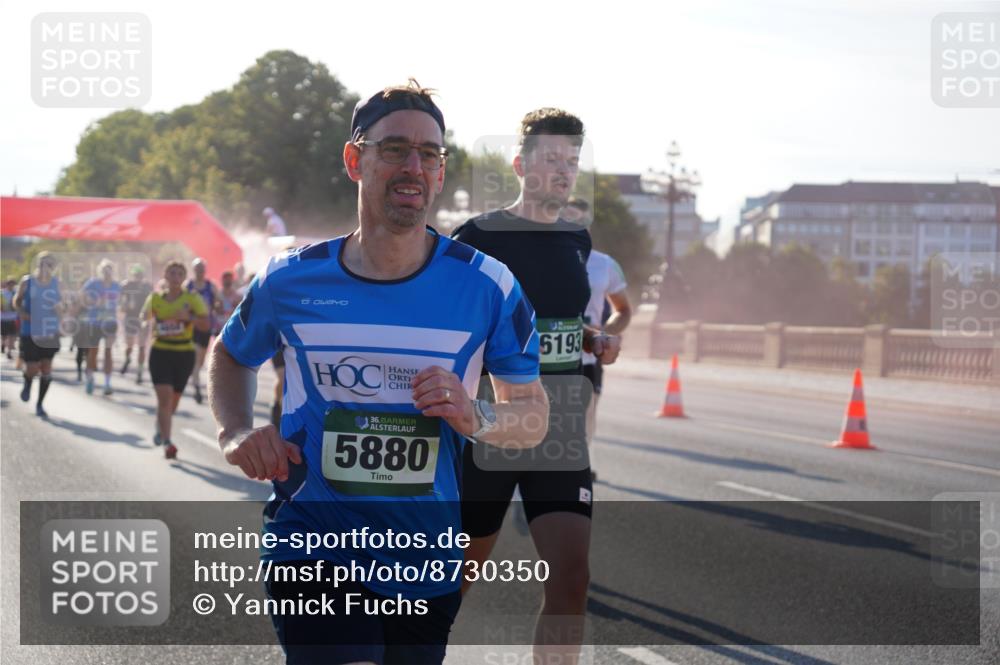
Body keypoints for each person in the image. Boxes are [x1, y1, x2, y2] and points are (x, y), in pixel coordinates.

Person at [208, 80, 549, 665]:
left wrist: (476, 415)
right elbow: (231, 353)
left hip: (426, 559)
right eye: (394, 149)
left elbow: (533, 417)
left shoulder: (490, 286)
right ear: (354, 159)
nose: (413, 166)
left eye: (429, 154)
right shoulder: (291, 280)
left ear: (441, 173)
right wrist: (236, 431)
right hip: (311, 544)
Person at [452, 108, 621, 663]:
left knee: (571, 580)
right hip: (492, 429)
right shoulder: (477, 237)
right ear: (521, 164)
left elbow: (560, 318)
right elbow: (449, 323)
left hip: (561, 432)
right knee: (452, 584)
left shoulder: (576, 237)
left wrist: (594, 337)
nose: (564, 170)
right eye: (551, 158)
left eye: (572, 161)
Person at [563, 200, 633, 453]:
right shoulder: (544, 261)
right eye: (568, 221)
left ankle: (578, 470)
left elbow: (623, 311)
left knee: (583, 427)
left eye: (581, 222)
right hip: (548, 360)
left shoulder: (605, 265)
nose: (575, 227)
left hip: (588, 361)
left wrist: (604, 335)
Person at [142, 260, 209, 459]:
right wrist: (150, 319)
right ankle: (168, 442)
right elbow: (142, 317)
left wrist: (188, 318)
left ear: (184, 277)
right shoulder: (155, 298)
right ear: (165, 275)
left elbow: (205, 325)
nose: (176, 277)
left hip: (184, 354)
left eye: (180, 274)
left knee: (173, 402)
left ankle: (160, 425)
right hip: (160, 352)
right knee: (165, 399)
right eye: (172, 273)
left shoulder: (192, 299)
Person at [13, 252, 63, 418]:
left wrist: (61, 311)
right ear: (38, 265)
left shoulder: (57, 284)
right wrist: (21, 313)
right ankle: (27, 382)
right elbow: (17, 301)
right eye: (42, 264)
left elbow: (64, 305)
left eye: (49, 265)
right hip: (30, 332)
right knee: (33, 368)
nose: (45, 268)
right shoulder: (27, 282)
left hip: (50, 332)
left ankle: (40, 404)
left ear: (53, 268)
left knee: (47, 368)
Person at [79, 259, 122, 395]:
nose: (107, 272)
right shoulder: (93, 283)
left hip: (110, 323)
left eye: (109, 270)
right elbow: (82, 296)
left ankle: (107, 384)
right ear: (100, 271)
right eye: (104, 270)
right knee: (93, 352)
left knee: (108, 352)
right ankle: (90, 378)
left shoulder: (116, 286)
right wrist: (93, 302)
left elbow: (121, 301)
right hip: (95, 323)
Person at [184, 257, 221, 404]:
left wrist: (217, 306)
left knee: (200, 359)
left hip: (206, 326)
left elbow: (218, 301)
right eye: (197, 269)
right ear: (193, 270)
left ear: (205, 270)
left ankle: (195, 380)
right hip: (191, 326)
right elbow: (181, 302)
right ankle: (197, 386)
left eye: (202, 269)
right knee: (195, 357)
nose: (199, 271)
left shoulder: (210, 286)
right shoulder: (188, 285)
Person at [120, 264, 153, 384]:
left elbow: (152, 300)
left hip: (143, 318)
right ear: (132, 275)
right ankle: (127, 359)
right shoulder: (127, 285)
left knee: (142, 346)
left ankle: (139, 372)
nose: (137, 277)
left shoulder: (147, 286)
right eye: (135, 275)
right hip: (130, 317)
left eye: (139, 275)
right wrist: (124, 306)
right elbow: (121, 301)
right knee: (129, 345)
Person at [1, 276, 19, 359]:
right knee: (4, 335)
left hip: (13, 318)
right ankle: (3, 345)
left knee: (12, 335)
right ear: (7, 285)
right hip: (3, 318)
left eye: (13, 285)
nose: (12, 286)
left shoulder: (16, 293)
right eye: (10, 284)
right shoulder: (2, 293)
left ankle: (9, 351)